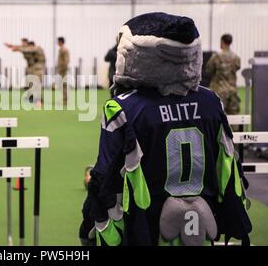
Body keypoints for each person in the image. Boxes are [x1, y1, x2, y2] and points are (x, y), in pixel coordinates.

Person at [79, 13, 251, 246]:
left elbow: (105, 177)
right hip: (202, 223)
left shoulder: (122, 108)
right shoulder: (211, 101)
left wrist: (92, 219)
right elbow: (228, 169)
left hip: (145, 226)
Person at [206, 34, 241, 115]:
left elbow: (209, 70)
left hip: (219, 91)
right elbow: (237, 68)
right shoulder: (236, 57)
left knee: (217, 116)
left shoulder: (216, 56)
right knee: (234, 117)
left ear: (222, 42)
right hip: (232, 91)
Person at [5, 39, 46, 105]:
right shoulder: (30, 49)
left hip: (38, 69)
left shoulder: (37, 48)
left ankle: (39, 100)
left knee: (36, 85)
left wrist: (17, 49)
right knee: (31, 84)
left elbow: (27, 49)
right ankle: (33, 98)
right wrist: (12, 46)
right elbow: (24, 48)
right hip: (33, 69)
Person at [57, 37, 70, 105]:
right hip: (61, 69)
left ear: (61, 42)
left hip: (63, 70)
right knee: (63, 85)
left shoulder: (64, 50)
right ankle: (64, 100)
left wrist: (63, 69)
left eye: (58, 41)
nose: (57, 43)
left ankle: (66, 101)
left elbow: (66, 60)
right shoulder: (61, 49)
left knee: (64, 85)